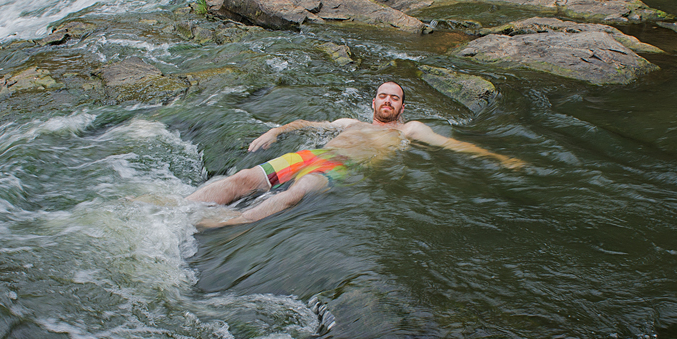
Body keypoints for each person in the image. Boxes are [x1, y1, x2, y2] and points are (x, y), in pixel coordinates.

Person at [188, 81, 523, 226]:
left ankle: (231, 222)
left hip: (341, 169)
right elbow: (308, 123)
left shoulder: (410, 130)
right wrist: (277, 130)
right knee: (243, 178)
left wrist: (501, 159)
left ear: (402, 106)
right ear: (373, 103)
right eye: (382, 96)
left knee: (298, 192)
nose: (388, 101)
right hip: (311, 155)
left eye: (394, 98)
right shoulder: (350, 122)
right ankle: (182, 208)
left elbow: (453, 145)